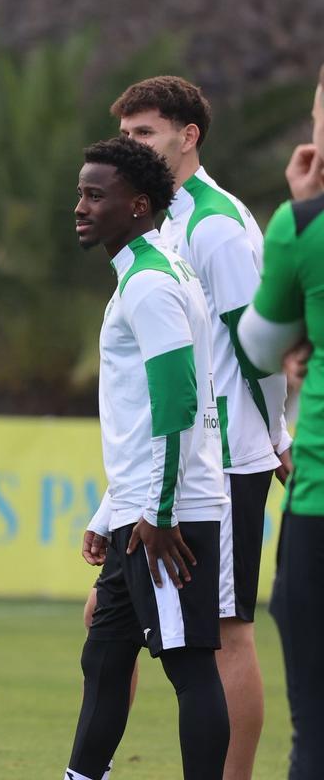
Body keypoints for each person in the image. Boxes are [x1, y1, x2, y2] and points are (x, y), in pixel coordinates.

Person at [84, 75, 293, 780]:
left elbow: (256, 341)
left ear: (188, 135)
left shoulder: (217, 224)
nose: (132, 146)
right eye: (127, 135)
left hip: (223, 460)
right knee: (112, 634)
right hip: (164, 466)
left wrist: (278, 435)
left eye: (145, 134)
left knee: (224, 640)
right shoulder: (158, 221)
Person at [65, 136, 230, 780]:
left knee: (190, 669)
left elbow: (177, 406)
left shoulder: (152, 284)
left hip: (168, 518)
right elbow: (142, 412)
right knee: (104, 655)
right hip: (141, 509)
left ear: (137, 206)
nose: (80, 205)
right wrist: (111, 510)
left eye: (94, 195)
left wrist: (157, 514)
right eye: (80, 191)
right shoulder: (148, 269)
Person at [238, 62, 324, 780]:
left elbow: (261, 345)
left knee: (317, 738)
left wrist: (304, 209)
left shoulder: (304, 226)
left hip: (321, 500)